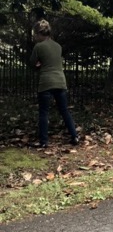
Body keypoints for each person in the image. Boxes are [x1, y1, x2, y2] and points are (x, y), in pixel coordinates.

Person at [30, 19, 79, 148]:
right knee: (64, 110)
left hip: (46, 82)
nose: (34, 37)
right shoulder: (58, 46)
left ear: (39, 34)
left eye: (35, 34)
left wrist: (38, 65)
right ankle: (74, 136)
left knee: (44, 112)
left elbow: (32, 63)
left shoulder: (38, 46)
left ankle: (44, 141)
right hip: (60, 81)